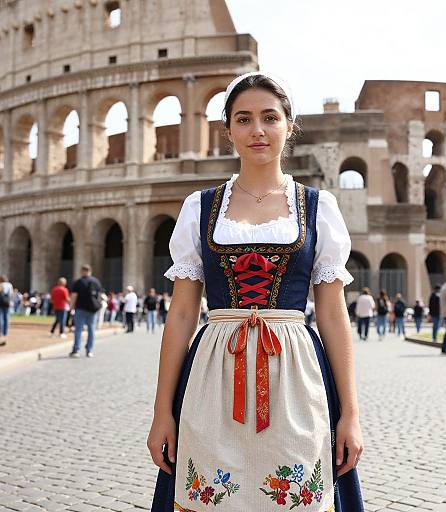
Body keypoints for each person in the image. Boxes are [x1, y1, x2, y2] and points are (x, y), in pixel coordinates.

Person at [147, 72, 364, 512]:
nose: (258, 130)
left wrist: (351, 415)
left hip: (296, 372)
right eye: (243, 119)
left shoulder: (320, 208)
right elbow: (183, 316)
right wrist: (161, 412)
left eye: (270, 117)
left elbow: (333, 316)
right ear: (228, 130)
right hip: (212, 373)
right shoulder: (200, 207)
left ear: (289, 125)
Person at [69, 264, 102, 357]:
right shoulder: (96, 282)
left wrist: (71, 307)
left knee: (78, 329)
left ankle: (76, 350)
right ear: (90, 271)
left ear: (82, 271)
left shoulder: (78, 282)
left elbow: (74, 296)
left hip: (80, 308)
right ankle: (89, 350)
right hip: (93, 309)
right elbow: (99, 295)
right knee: (91, 330)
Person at [0, 275, 13, 346]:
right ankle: (5, 333)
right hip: (7, 303)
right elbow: (11, 294)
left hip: (1, 303)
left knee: (1, 318)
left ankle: (1, 332)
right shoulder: (9, 285)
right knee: (7, 318)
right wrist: (10, 302)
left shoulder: (1, 285)